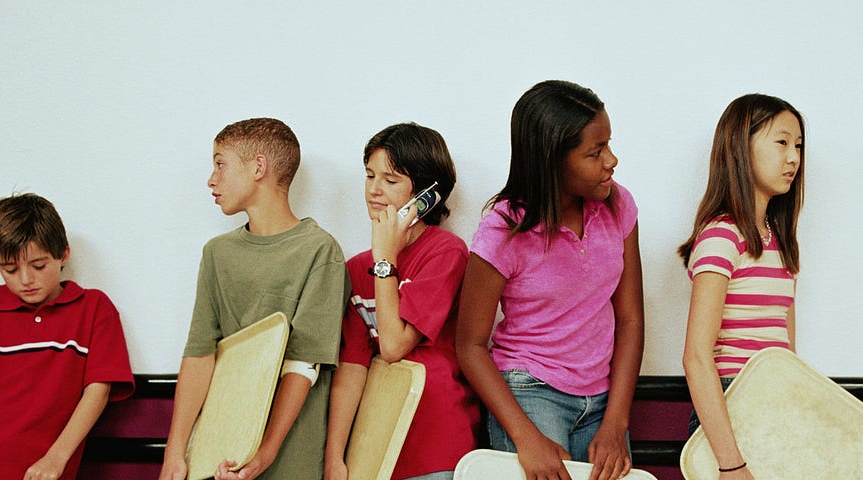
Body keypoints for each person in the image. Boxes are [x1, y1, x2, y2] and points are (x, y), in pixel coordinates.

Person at [456, 80, 643, 480]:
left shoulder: (618, 207)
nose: (612, 160)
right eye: (595, 152)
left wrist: (616, 423)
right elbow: (470, 345)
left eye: (608, 144)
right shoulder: (503, 231)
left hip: (603, 399)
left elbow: (630, 319)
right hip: (529, 392)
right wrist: (526, 437)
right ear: (551, 161)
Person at [160, 118, 349, 480]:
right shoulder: (217, 254)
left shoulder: (319, 251)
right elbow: (200, 353)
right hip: (220, 455)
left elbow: (304, 363)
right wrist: (176, 452)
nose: (211, 180)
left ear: (258, 167)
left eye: (220, 164)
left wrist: (264, 454)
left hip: (292, 458)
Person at [325, 123, 480, 480]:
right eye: (369, 176)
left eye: (391, 180)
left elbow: (394, 345)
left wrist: (385, 261)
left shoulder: (446, 252)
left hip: (437, 448)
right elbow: (352, 368)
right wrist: (336, 457)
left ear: (426, 194)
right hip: (376, 446)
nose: (374, 190)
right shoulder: (355, 268)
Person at [0, 193, 135, 480]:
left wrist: (56, 459)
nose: (26, 279)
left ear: (63, 254)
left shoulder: (95, 308)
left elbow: (99, 390)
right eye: (10, 269)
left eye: (39, 266)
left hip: (47, 472)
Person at [677, 93, 805, 480]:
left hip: (775, 407)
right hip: (732, 407)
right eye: (781, 142)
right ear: (739, 148)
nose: (794, 157)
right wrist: (730, 463)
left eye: (798, 145)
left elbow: (786, 352)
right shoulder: (721, 235)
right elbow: (697, 358)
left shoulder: (779, 242)